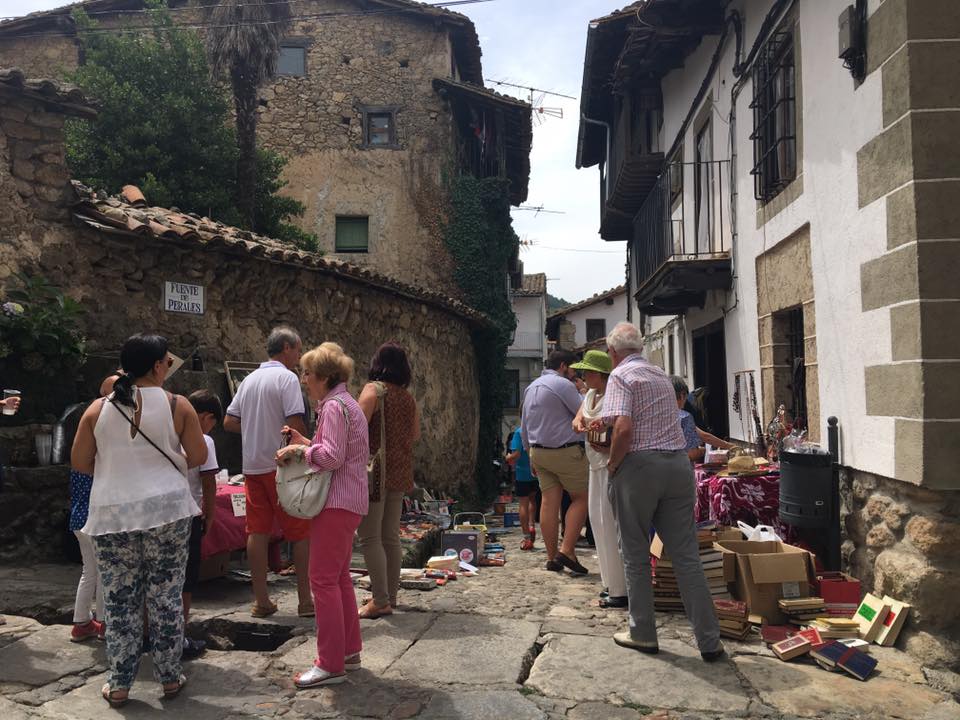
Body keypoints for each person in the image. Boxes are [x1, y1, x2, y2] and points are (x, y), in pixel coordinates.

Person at [71, 333, 207, 706]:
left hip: (113, 513)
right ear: (157, 365)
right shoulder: (178, 405)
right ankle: (169, 677)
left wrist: (118, 466)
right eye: (166, 361)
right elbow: (196, 454)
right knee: (165, 596)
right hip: (167, 511)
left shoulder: (97, 409)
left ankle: (119, 683)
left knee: (118, 599)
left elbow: (80, 462)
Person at [597, 322, 723, 661]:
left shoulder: (621, 377)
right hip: (678, 466)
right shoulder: (661, 376)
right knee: (686, 557)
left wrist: (612, 465)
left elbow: (622, 429)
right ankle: (710, 641)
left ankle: (642, 633)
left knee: (636, 554)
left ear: (613, 352)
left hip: (640, 467)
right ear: (639, 347)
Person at [277, 342, 369, 688]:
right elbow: (336, 450)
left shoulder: (333, 407)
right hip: (350, 500)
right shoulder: (348, 404)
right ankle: (349, 651)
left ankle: (330, 663)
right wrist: (306, 440)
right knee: (340, 578)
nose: (304, 379)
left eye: (308, 373)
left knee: (323, 581)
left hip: (335, 503)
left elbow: (329, 458)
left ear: (325, 377)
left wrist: (298, 449)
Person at [224, 326, 312, 618]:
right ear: (286, 347)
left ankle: (261, 600)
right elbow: (295, 422)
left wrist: (253, 429)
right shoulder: (286, 378)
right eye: (297, 350)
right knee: (299, 532)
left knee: (257, 531)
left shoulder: (248, 380)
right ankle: (304, 601)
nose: (299, 357)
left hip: (252, 465)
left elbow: (229, 421)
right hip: (282, 466)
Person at [356, 342, 420, 619]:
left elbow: (355, 428)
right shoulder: (408, 398)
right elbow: (415, 435)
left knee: (370, 536)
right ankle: (390, 596)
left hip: (375, 472)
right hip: (400, 470)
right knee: (391, 537)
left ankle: (379, 600)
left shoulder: (373, 390)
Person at [520, 349, 590, 575]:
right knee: (581, 498)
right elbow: (584, 412)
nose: (576, 374)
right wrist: (583, 391)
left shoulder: (531, 387)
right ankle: (567, 550)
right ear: (563, 366)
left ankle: (552, 558)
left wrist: (529, 452)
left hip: (538, 451)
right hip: (565, 451)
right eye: (573, 369)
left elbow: (525, 424)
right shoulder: (564, 385)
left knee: (549, 502)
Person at [571, 350, 627, 609]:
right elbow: (578, 417)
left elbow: (621, 427)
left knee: (610, 522)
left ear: (598, 374)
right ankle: (610, 583)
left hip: (610, 465)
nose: (583, 376)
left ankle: (621, 588)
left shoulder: (615, 397)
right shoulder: (590, 395)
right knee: (598, 521)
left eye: (587, 372)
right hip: (595, 465)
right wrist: (579, 423)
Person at [67, 373, 119, 644]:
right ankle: (104, 623)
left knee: (91, 571)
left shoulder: (79, 452)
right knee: (103, 571)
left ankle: (81, 623)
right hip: (95, 519)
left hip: (78, 518)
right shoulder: (99, 450)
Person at [181, 390, 222, 660]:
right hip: (189, 513)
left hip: (160, 514)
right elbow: (208, 481)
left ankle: (148, 633)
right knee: (185, 578)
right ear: (206, 418)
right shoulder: (202, 439)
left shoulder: (169, 432)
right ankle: (179, 635)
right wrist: (210, 514)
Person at [671, 376, 734, 463]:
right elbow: (691, 454)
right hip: (678, 469)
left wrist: (728, 445)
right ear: (682, 395)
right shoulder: (684, 417)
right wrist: (703, 451)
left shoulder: (655, 416)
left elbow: (704, 436)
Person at [505, 425, 537, 551]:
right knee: (533, 500)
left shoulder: (519, 432)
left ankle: (526, 537)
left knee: (523, 503)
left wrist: (507, 457)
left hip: (522, 473)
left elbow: (516, 455)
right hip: (536, 473)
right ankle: (532, 525)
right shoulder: (536, 428)